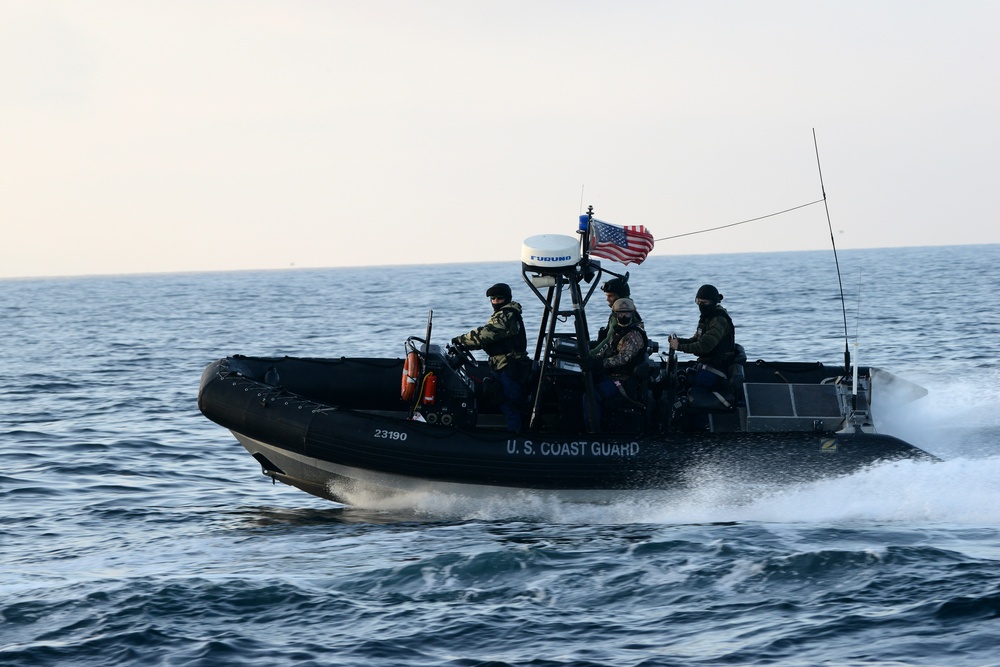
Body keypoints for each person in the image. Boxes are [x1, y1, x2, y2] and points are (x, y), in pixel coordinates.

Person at [452, 282, 529, 432]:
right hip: (502, 365)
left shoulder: (506, 315)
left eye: (499, 298)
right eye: (493, 299)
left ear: (507, 298)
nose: (495, 301)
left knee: (510, 403)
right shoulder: (504, 315)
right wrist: (466, 345)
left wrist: (461, 340)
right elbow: (489, 340)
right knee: (505, 402)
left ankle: (516, 437)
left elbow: (487, 334)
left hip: (509, 366)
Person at [586, 298, 648, 421]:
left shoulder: (634, 335)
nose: (624, 316)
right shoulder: (617, 332)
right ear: (615, 314)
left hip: (622, 380)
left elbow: (623, 358)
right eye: (620, 313)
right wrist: (590, 359)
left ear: (632, 313)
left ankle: (591, 429)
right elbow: (606, 350)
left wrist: (600, 363)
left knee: (591, 395)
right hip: (611, 375)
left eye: (627, 313)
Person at [668, 284, 736, 396]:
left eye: (704, 303)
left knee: (693, 393)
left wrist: (679, 347)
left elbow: (703, 347)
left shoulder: (719, 321)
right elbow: (696, 339)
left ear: (713, 302)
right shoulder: (707, 318)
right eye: (698, 302)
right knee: (682, 380)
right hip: (706, 364)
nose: (701, 305)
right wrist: (679, 341)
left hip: (717, 367)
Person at [591, 277, 643, 355]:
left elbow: (609, 341)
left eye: (610, 296)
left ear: (621, 298)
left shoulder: (622, 317)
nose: (607, 299)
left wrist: (590, 355)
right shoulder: (619, 314)